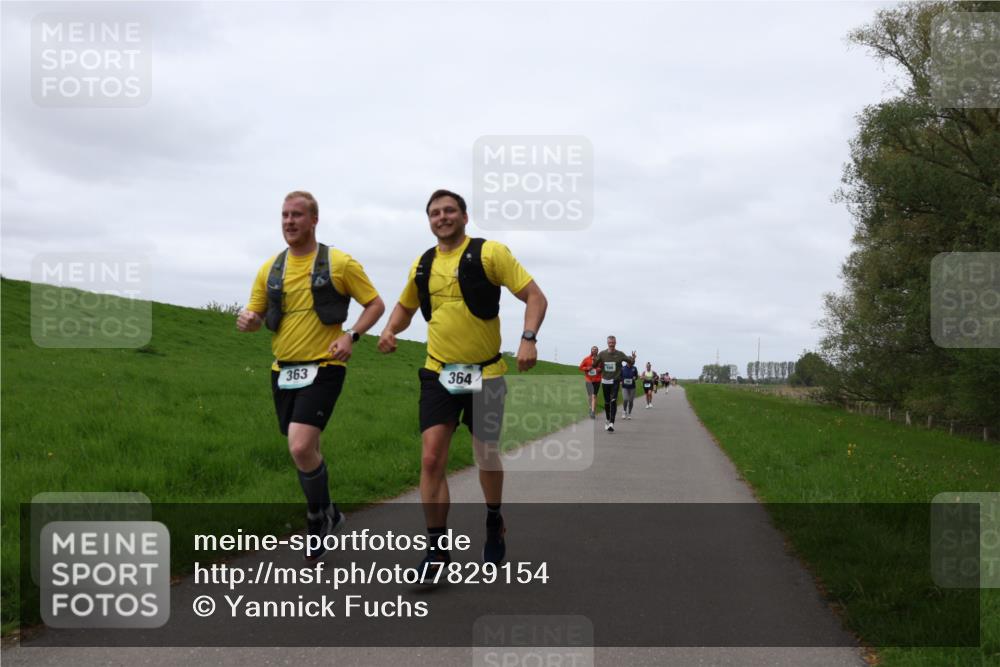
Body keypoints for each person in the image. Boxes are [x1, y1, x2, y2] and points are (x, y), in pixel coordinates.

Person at [377, 189, 547, 578]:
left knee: (485, 454)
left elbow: (535, 297)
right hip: (438, 373)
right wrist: (389, 329)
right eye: (435, 213)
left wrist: (529, 337)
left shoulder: (490, 254)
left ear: (465, 216)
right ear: (429, 221)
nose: (442, 217)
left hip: (486, 374)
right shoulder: (422, 264)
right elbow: (404, 307)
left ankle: (493, 517)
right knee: (431, 458)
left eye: (449, 210)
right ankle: (437, 551)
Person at [237, 190, 385, 562]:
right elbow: (255, 316)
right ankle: (331, 512)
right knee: (307, 450)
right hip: (283, 370)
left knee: (301, 446)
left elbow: (375, 304)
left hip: (325, 366)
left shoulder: (339, 263)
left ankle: (317, 518)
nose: (289, 221)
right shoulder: (270, 269)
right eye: (285, 215)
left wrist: (351, 335)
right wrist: (248, 320)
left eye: (297, 215)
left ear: (314, 220)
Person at [594, 336, 636, 432]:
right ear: (607, 343)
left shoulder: (620, 354)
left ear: (615, 342)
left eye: (613, 342)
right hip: (605, 381)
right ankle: (607, 419)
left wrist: (633, 358)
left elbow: (631, 362)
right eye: (610, 342)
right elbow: (595, 365)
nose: (611, 344)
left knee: (613, 400)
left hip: (615, 381)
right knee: (607, 402)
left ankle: (612, 423)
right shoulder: (602, 354)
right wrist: (596, 363)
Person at [578, 346, 602, 418]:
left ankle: (593, 412)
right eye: (593, 349)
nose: (594, 351)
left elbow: (603, 367)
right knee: (590, 396)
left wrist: (599, 369)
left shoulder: (600, 360)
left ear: (597, 351)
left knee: (594, 396)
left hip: (597, 380)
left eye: (596, 350)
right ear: (591, 350)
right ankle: (590, 407)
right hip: (589, 380)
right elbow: (580, 367)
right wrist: (587, 368)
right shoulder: (586, 359)